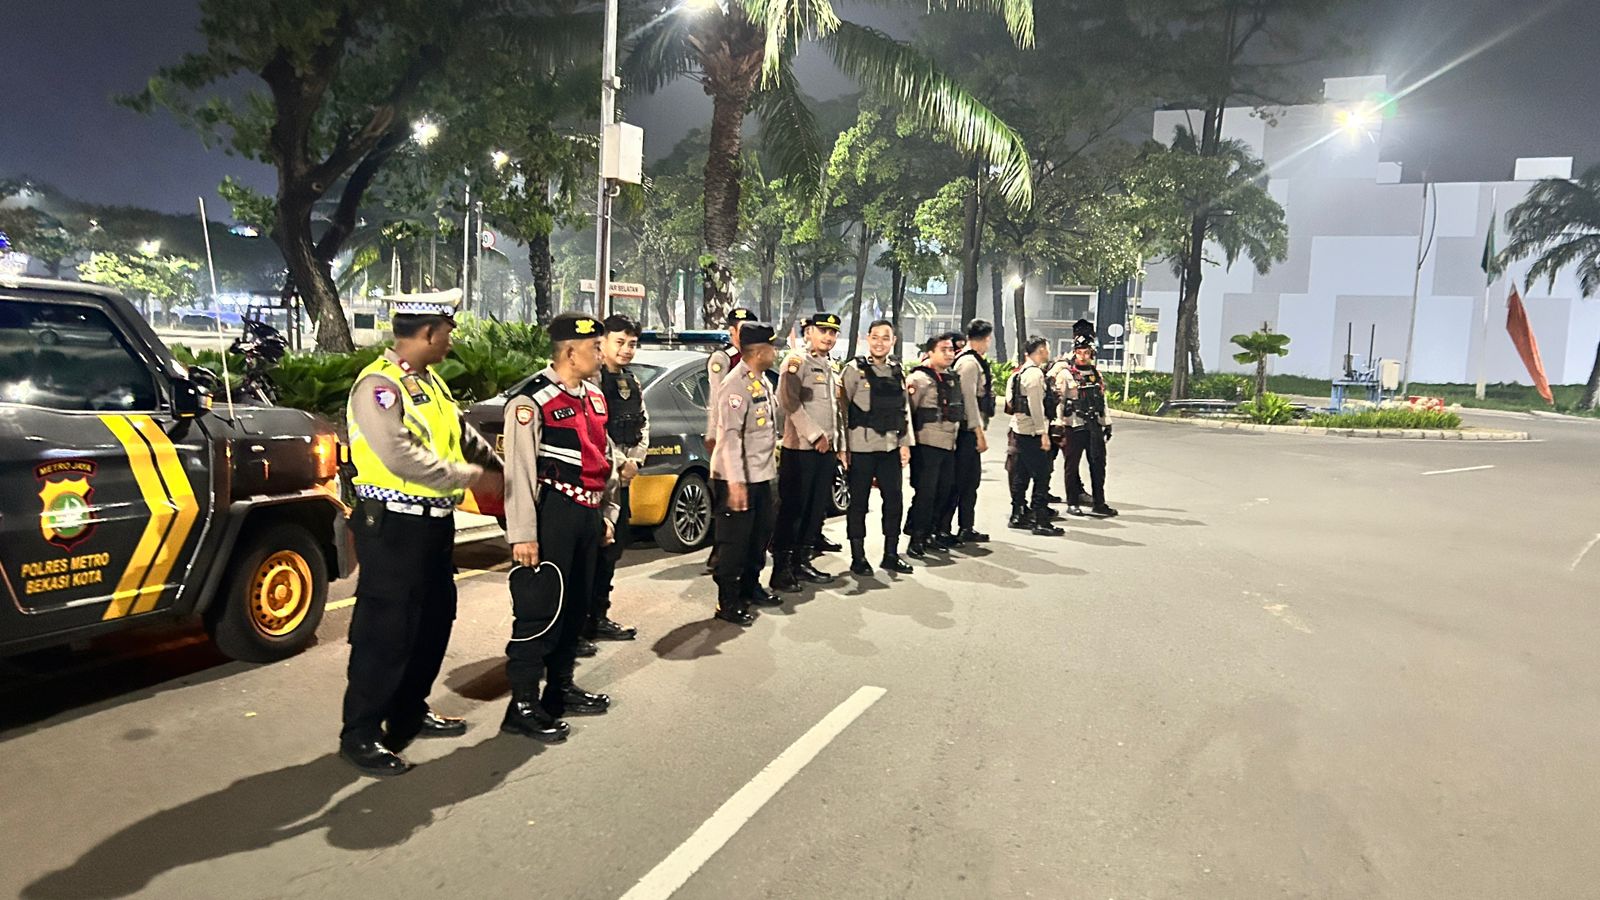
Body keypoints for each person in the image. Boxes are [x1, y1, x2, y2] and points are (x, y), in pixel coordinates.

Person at [340, 288, 503, 777]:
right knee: (386, 631)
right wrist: (470, 477)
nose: (452, 341)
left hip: (433, 525)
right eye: (448, 333)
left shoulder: (431, 385)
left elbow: (463, 436)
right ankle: (361, 732)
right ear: (428, 333)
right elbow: (397, 454)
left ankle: (410, 708)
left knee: (433, 621)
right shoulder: (378, 386)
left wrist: (502, 469)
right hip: (391, 525)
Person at [501, 312, 620, 743]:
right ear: (570, 352)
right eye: (593, 348)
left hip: (587, 516)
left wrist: (607, 513)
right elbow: (518, 472)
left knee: (576, 609)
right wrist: (523, 534)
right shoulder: (531, 401)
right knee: (539, 612)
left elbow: (602, 460)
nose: (600, 355)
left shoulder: (594, 396)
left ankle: (561, 687)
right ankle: (523, 704)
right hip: (552, 514)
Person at [710, 322, 784, 624]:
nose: (775, 352)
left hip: (761, 474)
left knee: (758, 536)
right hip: (735, 478)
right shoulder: (735, 384)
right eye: (772, 347)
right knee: (734, 543)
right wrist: (736, 482)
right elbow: (729, 437)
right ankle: (727, 601)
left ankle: (751, 587)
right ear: (759, 351)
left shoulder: (761, 380)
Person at [769, 312, 844, 592]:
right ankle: (781, 568)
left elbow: (837, 412)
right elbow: (788, 401)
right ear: (809, 332)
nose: (828, 336)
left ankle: (802, 560)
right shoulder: (796, 362)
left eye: (833, 333)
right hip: (800, 450)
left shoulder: (829, 365)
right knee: (793, 510)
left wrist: (839, 445)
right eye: (823, 330)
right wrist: (815, 436)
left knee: (815, 510)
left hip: (826, 451)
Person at [587, 314, 647, 644]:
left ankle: (598, 616)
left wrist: (636, 459)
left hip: (622, 482)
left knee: (611, 551)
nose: (626, 350)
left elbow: (643, 421)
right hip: (599, 478)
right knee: (589, 556)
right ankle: (580, 623)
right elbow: (596, 430)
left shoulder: (631, 381)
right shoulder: (592, 381)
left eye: (632, 344)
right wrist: (622, 461)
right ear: (604, 342)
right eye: (620, 342)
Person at [840, 319, 915, 576]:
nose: (880, 342)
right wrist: (843, 448)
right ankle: (858, 556)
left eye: (886, 337)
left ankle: (891, 554)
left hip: (890, 448)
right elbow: (842, 410)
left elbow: (904, 411)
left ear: (893, 341)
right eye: (875, 337)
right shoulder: (853, 370)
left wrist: (905, 444)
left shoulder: (897, 370)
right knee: (858, 503)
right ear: (866, 338)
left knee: (894, 501)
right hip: (861, 447)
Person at [703, 307, 755, 575]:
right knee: (726, 502)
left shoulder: (752, 360)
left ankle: (734, 554)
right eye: (741, 329)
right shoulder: (723, 358)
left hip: (750, 444)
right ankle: (720, 555)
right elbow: (717, 401)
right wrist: (715, 437)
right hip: (727, 438)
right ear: (732, 332)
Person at [904, 332, 964, 559]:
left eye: (951, 350)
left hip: (948, 445)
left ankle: (931, 534)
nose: (949, 354)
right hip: (926, 445)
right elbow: (908, 413)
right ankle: (916, 538)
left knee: (944, 490)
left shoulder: (950, 377)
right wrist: (907, 446)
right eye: (944, 350)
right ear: (930, 352)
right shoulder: (918, 379)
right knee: (925, 494)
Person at [942, 318, 994, 546]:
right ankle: (947, 528)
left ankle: (965, 526)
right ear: (984, 339)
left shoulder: (970, 360)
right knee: (961, 482)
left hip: (967, 430)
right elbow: (969, 400)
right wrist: (978, 432)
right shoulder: (970, 363)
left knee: (968, 482)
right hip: (965, 431)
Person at [1006, 336, 1064, 536]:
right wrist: (1043, 433)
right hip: (1032, 431)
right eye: (1046, 349)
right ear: (1040, 350)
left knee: (1021, 475)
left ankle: (1018, 514)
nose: (1048, 353)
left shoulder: (1018, 372)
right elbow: (1036, 406)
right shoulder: (1034, 375)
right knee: (1042, 475)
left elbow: (1009, 401)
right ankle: (1041, 520)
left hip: (1020, 430)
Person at [1061, 338, 1118, 518]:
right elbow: (1060, 401)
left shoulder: (1096, 374)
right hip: (1075, 424)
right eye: (1079, 352)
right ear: (1074, 352)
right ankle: (1072, 502)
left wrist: (1106, 422)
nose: (1083, 356)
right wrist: (1058, 424)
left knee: (1098, 464)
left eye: (1086, 352)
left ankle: (1099, 503)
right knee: (1072, 465)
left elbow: (1102, 399)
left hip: (1094, 424)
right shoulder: (1066, 374)